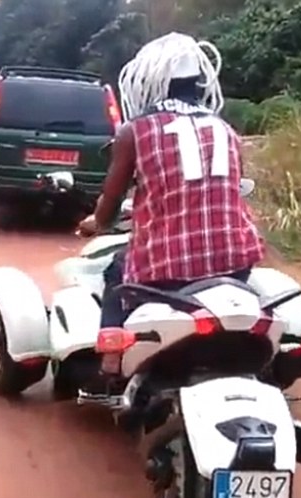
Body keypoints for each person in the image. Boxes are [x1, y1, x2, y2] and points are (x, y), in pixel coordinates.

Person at [78, 32, 265, 329]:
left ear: (149, 82)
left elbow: (111, 202)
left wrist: (97, 222)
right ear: (199, 81)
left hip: (165, 271)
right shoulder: (225, 129)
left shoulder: (134, 131)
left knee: (114, 273)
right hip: (235, 263)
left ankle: (110, 361)